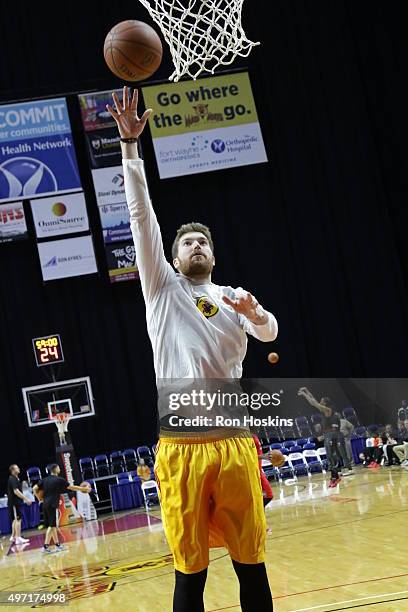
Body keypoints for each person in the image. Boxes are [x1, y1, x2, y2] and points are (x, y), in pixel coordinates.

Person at [107, 86, 278, 612]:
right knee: (190, 572)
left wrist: (255, 316)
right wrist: (131, 149)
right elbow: (141, 218)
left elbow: (271, 333)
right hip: (180, 448)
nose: (196, 246)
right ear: (174, 259)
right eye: (187, 243)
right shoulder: (161, 289)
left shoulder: (231, 297)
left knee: (251, 563)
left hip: (231, 444)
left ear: (213, 253)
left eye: (203, 241)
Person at [297, 388, 352, 487]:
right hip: (329, 435)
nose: (320, 401)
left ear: (325, 403)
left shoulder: (328, 410)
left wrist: (304, 394)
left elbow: (314, 403)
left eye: (322, 400)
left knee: (333, 456)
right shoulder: (325, 410)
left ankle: (336, 476)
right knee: (331, 457)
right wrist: (306, 391)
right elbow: (313, 401)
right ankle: (336, 476)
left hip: (333, 435)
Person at [33, 464, 90, 554]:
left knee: (51, 526)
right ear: (55, 469)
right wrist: (83, 489)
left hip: (45, 504)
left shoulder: (44, 480)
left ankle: (52, 546)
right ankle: (50, 546)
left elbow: (34, 488)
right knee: (52, 526)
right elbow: (71, 487)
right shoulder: (59, 479)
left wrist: (39, 498)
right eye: (58, 467)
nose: (59, 469)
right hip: (52, 504)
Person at [7, 465, 32, 545]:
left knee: (15, 520)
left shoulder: (15, 478)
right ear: (13, 470)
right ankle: (18, 538)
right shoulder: (12, 479)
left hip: (16, 503)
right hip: (14, 503)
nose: (19, 469)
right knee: (18, 520)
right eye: (17, 468)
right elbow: (16, 491)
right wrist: (26, 499)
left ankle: (14, 536)